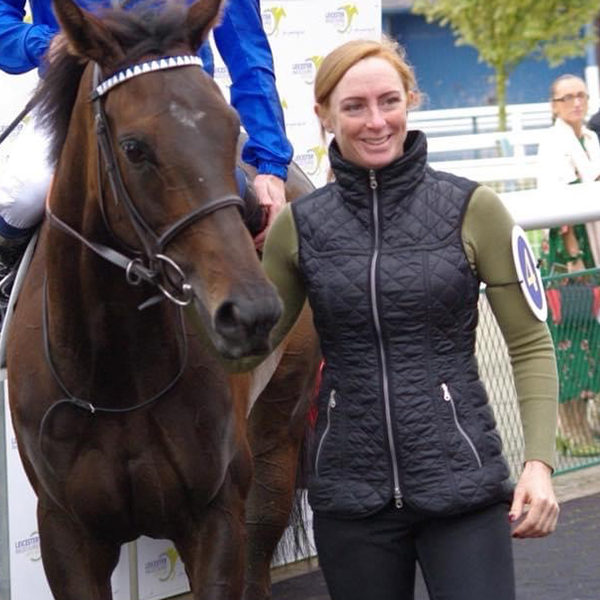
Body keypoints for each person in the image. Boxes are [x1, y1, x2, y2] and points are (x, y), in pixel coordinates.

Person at [198, 37, 560, 600]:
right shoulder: (297, 227)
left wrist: (539, 463)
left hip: (461, 486)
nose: (375, 121)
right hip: (350, 496)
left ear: (410, 100)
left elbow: (530, 343)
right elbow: (247, 354)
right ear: (323, 115)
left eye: (389, 101)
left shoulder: (474, 209)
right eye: (354, 106)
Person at [0, 0, 290, 282]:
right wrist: (42, 43)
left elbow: (247, 53)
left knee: (236, 197)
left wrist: (270, 164)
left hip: (180, 102)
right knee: (22, 198)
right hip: (75, 95)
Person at [536, 73, 600, 456]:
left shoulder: (589, 139)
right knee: (570, 340)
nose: (577, 102)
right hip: (568, 256)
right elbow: (559, 200)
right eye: (568, 97)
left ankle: (587, 425)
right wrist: (574, 255)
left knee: (591, 338)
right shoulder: (553, 144)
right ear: (554, 105)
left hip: (592, 248)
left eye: (581, 95)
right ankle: (570, 431)